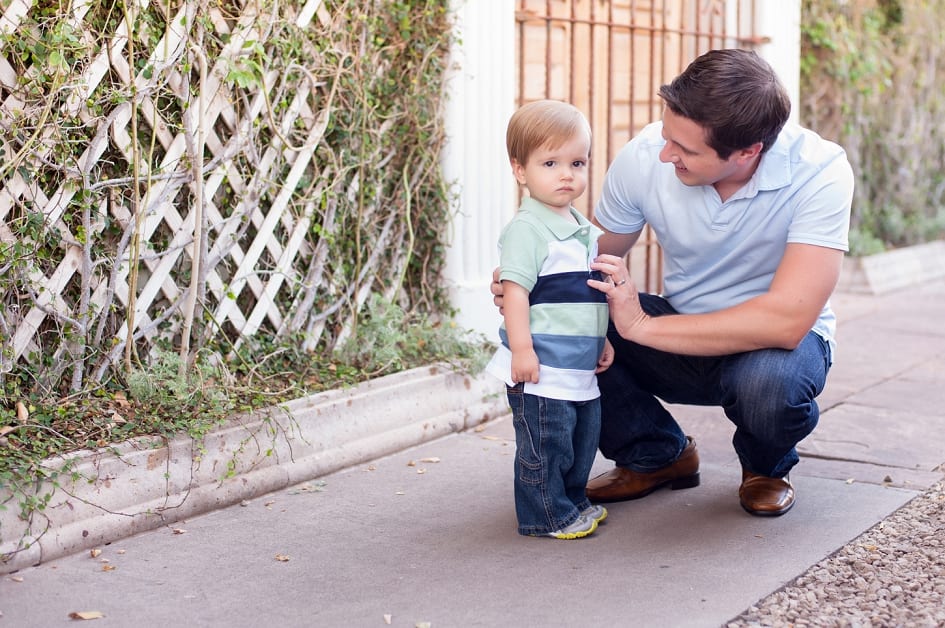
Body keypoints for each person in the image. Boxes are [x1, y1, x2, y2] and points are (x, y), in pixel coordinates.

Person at [491, 49, 854, 517]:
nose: (666, 154)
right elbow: (592, 257)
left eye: (685, 149)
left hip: (776, 347)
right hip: (681, 328)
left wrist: (640, 325)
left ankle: (766, 466)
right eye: (667, 137)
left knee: (770, 383)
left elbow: (787, 320)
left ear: (747, 152)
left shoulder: (820, 172)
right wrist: (529, 281)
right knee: (562, 322)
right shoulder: (646, 156)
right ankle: (659, 455)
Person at [485, 100, 615, 539]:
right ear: (520, 171)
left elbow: (590, 296)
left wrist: (604, 340)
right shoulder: (529, 229)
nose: (567, 174)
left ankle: (573, 499)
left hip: (576, 365)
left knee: (582, 442)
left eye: (577, 162)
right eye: (550, 162)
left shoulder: (584, 231)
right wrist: (522, 349)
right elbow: (515, 294)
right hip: (541, 367)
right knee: (547, 444)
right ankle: (546, 514)